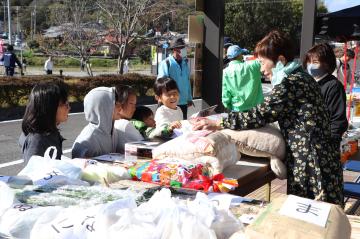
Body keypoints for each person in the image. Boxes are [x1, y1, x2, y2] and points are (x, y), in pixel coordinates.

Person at [193, 30, 343, 206]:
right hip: (321, 158)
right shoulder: (303, 77)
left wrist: (218, 122)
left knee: (311, 217)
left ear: (280, 60)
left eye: (263, 62)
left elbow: (260, 114)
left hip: (311, 163)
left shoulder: (291, 83)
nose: (262, 69)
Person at [72, 85, 142, 158]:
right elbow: (81, 166)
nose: (120, 108)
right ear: (103, 108)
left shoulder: (112, 131)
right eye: (116, 104)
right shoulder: (87, 141)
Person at [303, 43, 348, 148]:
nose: (310, 65)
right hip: (305, 142)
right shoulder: (306, 82)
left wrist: (329, 144)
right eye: (308, 61)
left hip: (323, 144)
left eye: (315, 62)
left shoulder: (333, 86)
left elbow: (337, 120)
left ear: (326, 64)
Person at [19, 81, 70, 164]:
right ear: (50, 108)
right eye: (66, 104)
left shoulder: (49, 131)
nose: (69, 108)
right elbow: (33, 173)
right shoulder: (37, 140)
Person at [157, 37, 193, 119]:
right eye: (180, 48)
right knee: (170, 126)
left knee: (182, 126)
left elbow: (187, 81)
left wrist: (189, 98)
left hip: (183, 101)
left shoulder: (185, 63)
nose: (182, 50)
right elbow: (162, 83)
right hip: (170, 101)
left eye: (183, 48)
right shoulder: (166, 63)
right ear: (174, 49)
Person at [222, 45, 264, 112]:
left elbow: (225, 94)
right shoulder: (252, 65)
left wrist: (228, 106)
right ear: (239, 55)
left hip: (237, 109)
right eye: (242, 54)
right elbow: (263, 59)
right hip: (256, 109)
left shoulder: (225, 72)